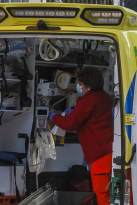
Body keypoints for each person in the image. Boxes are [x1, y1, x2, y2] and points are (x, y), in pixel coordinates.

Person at [50, 67, 115, 205]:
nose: (79, 86)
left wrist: (54, 117)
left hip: (99, 156)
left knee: (103, 195)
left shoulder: (88, 100)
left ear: (88, 86)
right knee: (113, 193)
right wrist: (74, 112)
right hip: (109, 152)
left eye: (80, 84)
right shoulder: (104, 97)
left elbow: (70, 124)